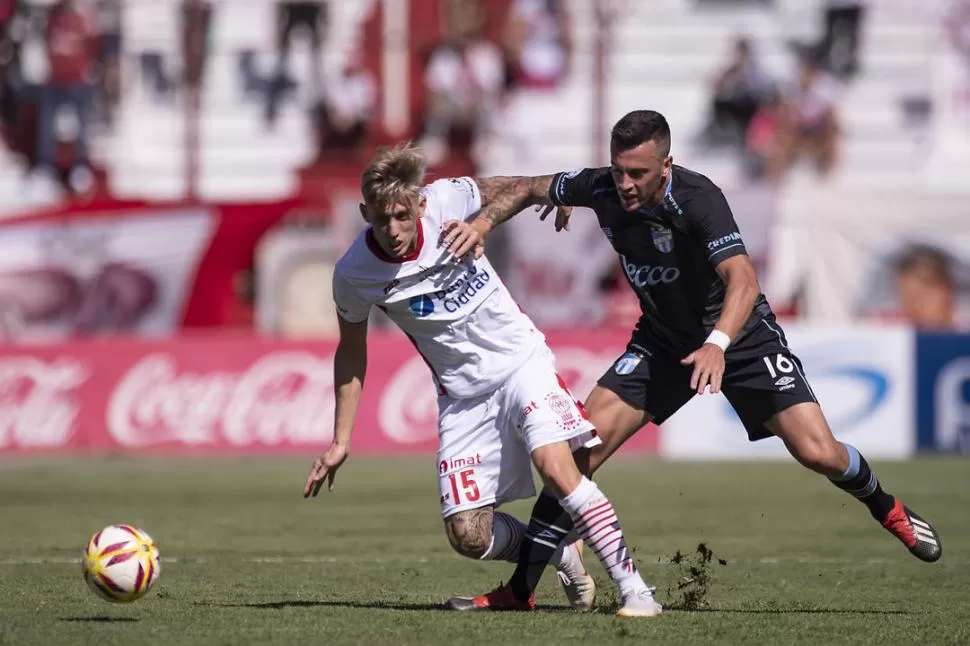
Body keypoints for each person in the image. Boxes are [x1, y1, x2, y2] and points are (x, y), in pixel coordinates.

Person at [443, 109, 943, 610]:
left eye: (637, 173)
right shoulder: (599, 187)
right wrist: (483, 220)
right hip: (661, 343)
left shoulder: (698, 199)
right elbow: (528, 186)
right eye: (618, 170)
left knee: (819, 453)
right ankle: (520, 591)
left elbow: (743, 280)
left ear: (667, 165)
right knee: (574, 458)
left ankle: (886, 507)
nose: (624, 184)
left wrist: (717, 344)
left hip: (742, 338)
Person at [301, 142, 663, 617]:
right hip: (464, 397)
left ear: (420, 204)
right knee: (468, 536)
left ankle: (635, 590)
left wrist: (557, 194)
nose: (393, 229)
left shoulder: (448, 198)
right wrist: (340, 439)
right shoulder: (353, 274)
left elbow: (516, 189)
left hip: (520, 364)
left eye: (402, 215)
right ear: (363, 211)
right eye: (380, 218)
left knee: (557, 468)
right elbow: (351, 352)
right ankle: (557, 548)